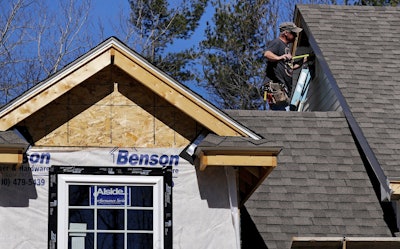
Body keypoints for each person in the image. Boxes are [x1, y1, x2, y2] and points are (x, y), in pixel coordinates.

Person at [263, 22, 303, 110]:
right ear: (285, 33)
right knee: (280, 114)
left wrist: (304, 60)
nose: (296, 36)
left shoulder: (286, 48)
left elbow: (289, 67)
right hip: (275, 86)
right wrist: (280, 57)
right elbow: (267, 54)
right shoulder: (277, 43)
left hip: (284, 89)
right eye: (293, 33)